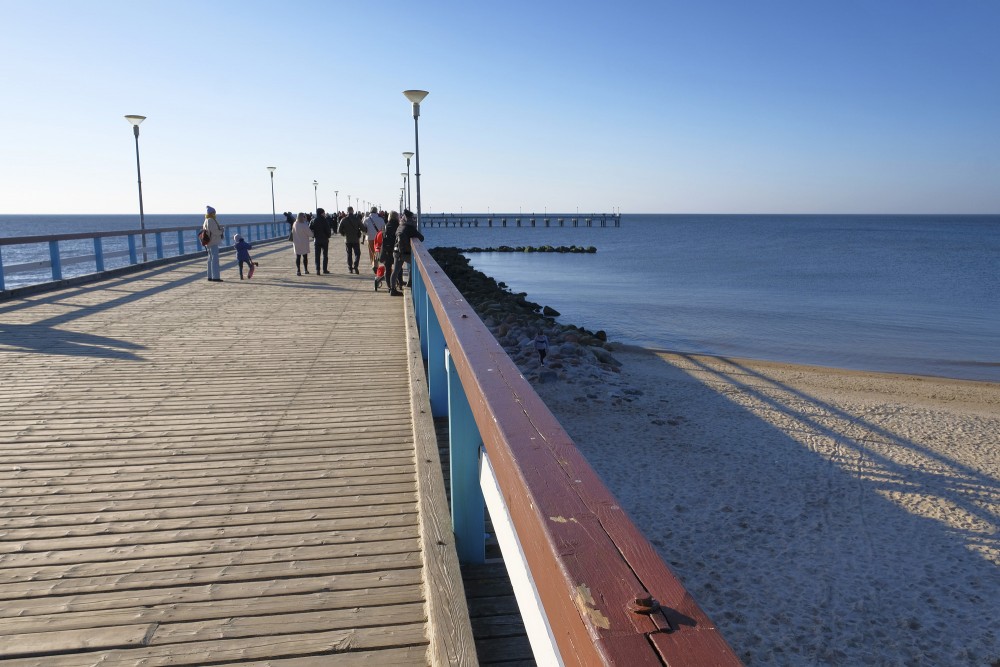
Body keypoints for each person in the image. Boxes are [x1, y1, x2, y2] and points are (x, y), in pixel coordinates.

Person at [389, 210, 424, 296]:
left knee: (395, 271)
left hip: (397, 252)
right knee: (415, 263)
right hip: (405, 254)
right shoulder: (410, 228)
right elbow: (421, 238)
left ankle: (392, 289)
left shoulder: (400, 226)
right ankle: (410, 282)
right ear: (411, 219)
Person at [338, 206, 364, 274]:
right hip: (355, 239)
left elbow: (339, 230)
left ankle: (350, 268)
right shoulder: (357, 219)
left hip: (348, 240)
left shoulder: (343, 219)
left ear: (347, 211)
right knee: (357, 253)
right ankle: (355, 265)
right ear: (353, 211)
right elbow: (363, 228)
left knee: (349, 254)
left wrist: (344, 234)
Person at [202, 206, 224, 282]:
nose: (215, 214)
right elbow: (215, 231)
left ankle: (210, 276)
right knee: (215, 259)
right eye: (214, 212)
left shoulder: (206, 220)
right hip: (213, 242)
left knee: (210, 259)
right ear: (212, 213)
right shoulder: (211, 220)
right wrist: (221, 231)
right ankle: (216, 277)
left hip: (208, 242)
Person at [380, 211, 400, 293]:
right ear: (396, 217)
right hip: (395, 250)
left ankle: (389, 287)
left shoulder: (385, 226)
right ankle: (399, 284)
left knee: (388, 269)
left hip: (386, 250)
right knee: (397, 269)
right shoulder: (398, 226)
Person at [310, 208, 333, 274]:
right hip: (324, 240)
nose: (324, 214)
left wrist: (313, 236)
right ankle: (324, 269)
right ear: (321, 213)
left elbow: (310, 229)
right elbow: (328, 229)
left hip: (317, 240)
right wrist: (328, 236)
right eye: (324, 212)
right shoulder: (325, 220)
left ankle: (318, 269)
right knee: (325, 255)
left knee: (317, 255)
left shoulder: (313, 220)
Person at [362, 206, 385, 271]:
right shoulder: (381, 219)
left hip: (370, 237)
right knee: (377, 251)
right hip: (378, 238)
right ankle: (376, 264)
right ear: (376, 211)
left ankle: (373, 264)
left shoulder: (366, 219)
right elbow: (383, 229)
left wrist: (366, 234)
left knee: (371, 252)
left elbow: (363, 229)